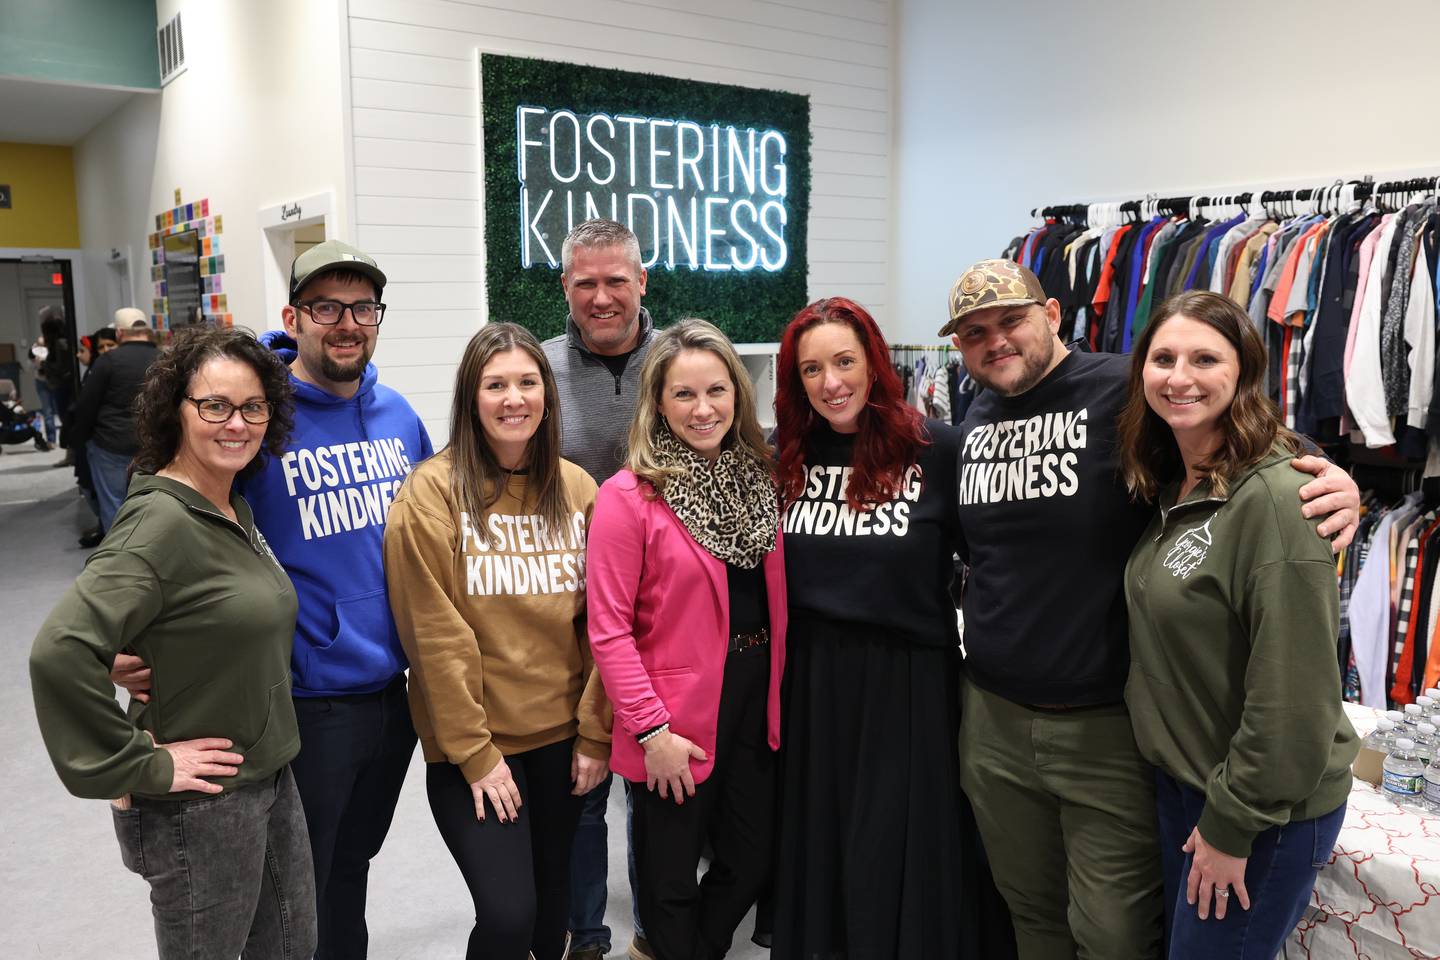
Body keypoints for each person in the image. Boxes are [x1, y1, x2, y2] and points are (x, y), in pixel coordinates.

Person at [940, 259, 1361, 959]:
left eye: (1010, 320)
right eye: (974, 332)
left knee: (1112, 933)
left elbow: (1233, 442)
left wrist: (1331, 475)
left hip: (1105, 726)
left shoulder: (1122, 387)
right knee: (1030, 915)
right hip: (994, 719)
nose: (996, 341)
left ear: (1049, 313)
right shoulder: (977, 407)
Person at [112, 240, 433, 959]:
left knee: (350, 870)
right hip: (301, 702)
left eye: (362, 307)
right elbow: (169, 517)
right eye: (325, 307)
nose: (346, 322)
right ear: (294, 315)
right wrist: (130, 641)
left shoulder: (401, 417)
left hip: (392, 696)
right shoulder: (257, 422)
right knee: (288, 892)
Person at [29, 326, 315, 959]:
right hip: (202, 807)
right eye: (214, 405)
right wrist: (140, 763)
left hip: (267, 775)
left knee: (293, 946)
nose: (236, 423)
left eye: (253, 407)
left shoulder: (229, 504)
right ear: (175, 410)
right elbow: (61, 649)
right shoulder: (161, 521)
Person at [1117, 291, 1359, 957]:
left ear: (1243, 370)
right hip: (1190, 787)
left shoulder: (1280, 497)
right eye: (1163, 358)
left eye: (1204, 358)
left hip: (1258, 812)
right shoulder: (1182, 482)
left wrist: (1232, 824)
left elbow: (1294, 698)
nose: (1180, 376)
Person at [770, 296, 1011, 960]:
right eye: (811, 369)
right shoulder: (781, 459)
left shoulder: (938, 450)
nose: (831, 382)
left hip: (909, 682)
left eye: (844, 361)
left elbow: (1002, 554)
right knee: (824, 845)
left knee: (900, 849)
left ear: (873, 364)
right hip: (813, 685)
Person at [384, 321, 610, 960]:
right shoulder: (432, 493)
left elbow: (604, 623)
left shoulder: (577, 490)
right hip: (478, 749)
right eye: (495, 384)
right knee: (509, 916)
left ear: (547, 393)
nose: (514, 398)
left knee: (551, 918)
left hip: (565, 743)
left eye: (527, 382)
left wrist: (596, 732)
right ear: (470, 397)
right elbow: (433, 635)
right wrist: (476, 753)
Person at [588, 318, 786, 960]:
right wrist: (651, 732)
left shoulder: (767, 480)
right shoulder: (629, 497)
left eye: (717, 391)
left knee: (753, 856)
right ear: (657, 402)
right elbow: (609, 629)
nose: (704, 410)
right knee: (669, 875)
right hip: (673, 719)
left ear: (739, 393)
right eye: (684, 394)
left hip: (757, 701)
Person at [542, 218, 659, 960]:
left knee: (653, 786)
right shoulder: (539, 370)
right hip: (570, 613)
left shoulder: (683, 360)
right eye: (585, 282)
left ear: (642, 281)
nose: (602, 296)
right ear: (566, 288)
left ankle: (657, 926)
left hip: (665, 612)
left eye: (616, 279)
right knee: (580, 784)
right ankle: (585, 932)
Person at [69, 309, 160, 536]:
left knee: (115, 509)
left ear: (119, 333)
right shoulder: (164, 359)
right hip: (154, 447)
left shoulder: (108, 361)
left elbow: (86, 406)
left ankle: (121, 565)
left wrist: (82, 440)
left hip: (111, 446)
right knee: (154, 508)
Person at [0, 377, 51, 451]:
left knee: (32, 428)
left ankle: (41, 443)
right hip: (7, 429)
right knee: (31, 428)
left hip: (9, 426)